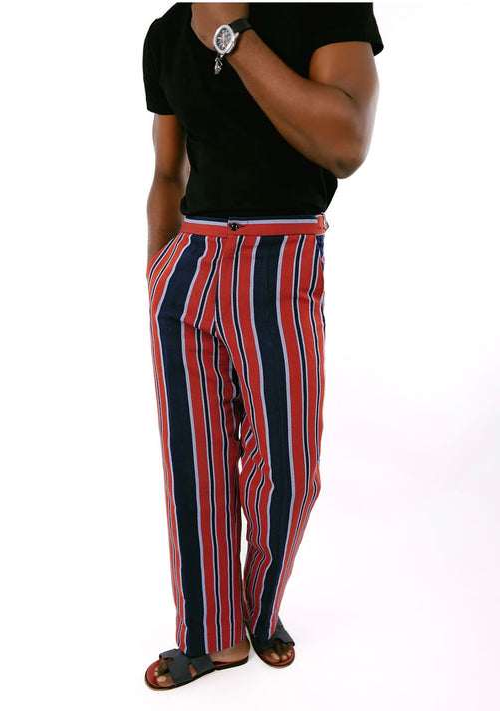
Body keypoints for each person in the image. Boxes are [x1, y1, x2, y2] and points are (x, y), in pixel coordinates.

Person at [142, 2, 383, 690]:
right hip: (189, 263)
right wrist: (156, 277)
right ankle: (210, 635)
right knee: (195, 468)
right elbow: (168, 173)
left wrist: (232, 36)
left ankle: (259, 608)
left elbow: (346, 144)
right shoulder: (165, 32)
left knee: (289, 470)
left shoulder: (325, 7)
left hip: (281, 262)